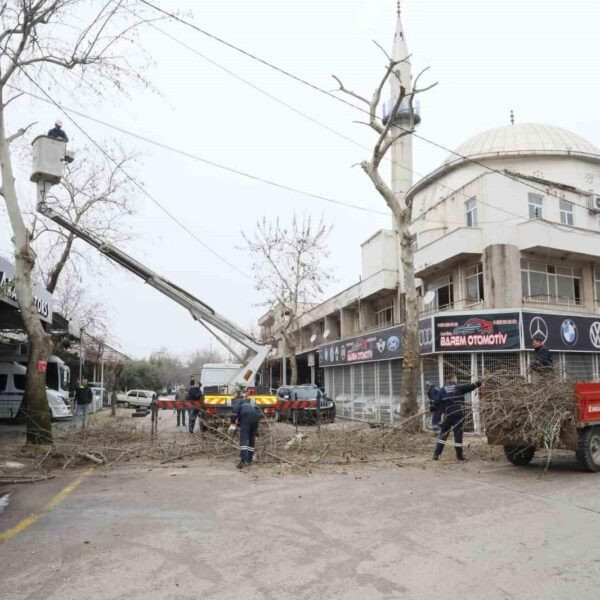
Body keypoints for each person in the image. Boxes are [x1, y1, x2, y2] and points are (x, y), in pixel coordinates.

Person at [432, 375, 482, 461]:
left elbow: (436, 402)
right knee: (458, 435)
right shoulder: (458, 387)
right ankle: (459, 456)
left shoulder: (442, 390)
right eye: (455, 378)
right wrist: (478, 383)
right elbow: (470, 386)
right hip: (458, 414)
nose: (457, 380)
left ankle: (436, 454)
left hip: (448, 415)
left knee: (443, 435)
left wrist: (432, 407)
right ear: (452, 380)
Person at [228, 390, 262, 469]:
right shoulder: (250, 404)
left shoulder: (239, 402)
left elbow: (234, 414)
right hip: (256, 417)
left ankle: (243, 461)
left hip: (246, 417)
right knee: (251, 439)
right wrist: (256, 430)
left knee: (244, 439)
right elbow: (258, 414)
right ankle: (249, 460)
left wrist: (232, 425)